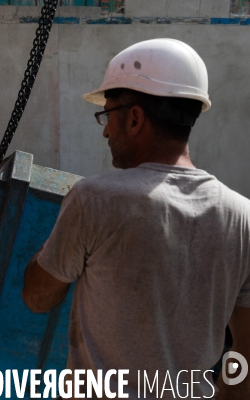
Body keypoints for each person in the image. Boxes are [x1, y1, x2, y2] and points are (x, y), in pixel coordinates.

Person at [22, 38, 250, 399]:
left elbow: (37, 297)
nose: (105, 131)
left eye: (107, 116)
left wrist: (50, 249)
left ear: (134, 118)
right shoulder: (242, 217)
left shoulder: (94, 200)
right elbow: (247, 348)